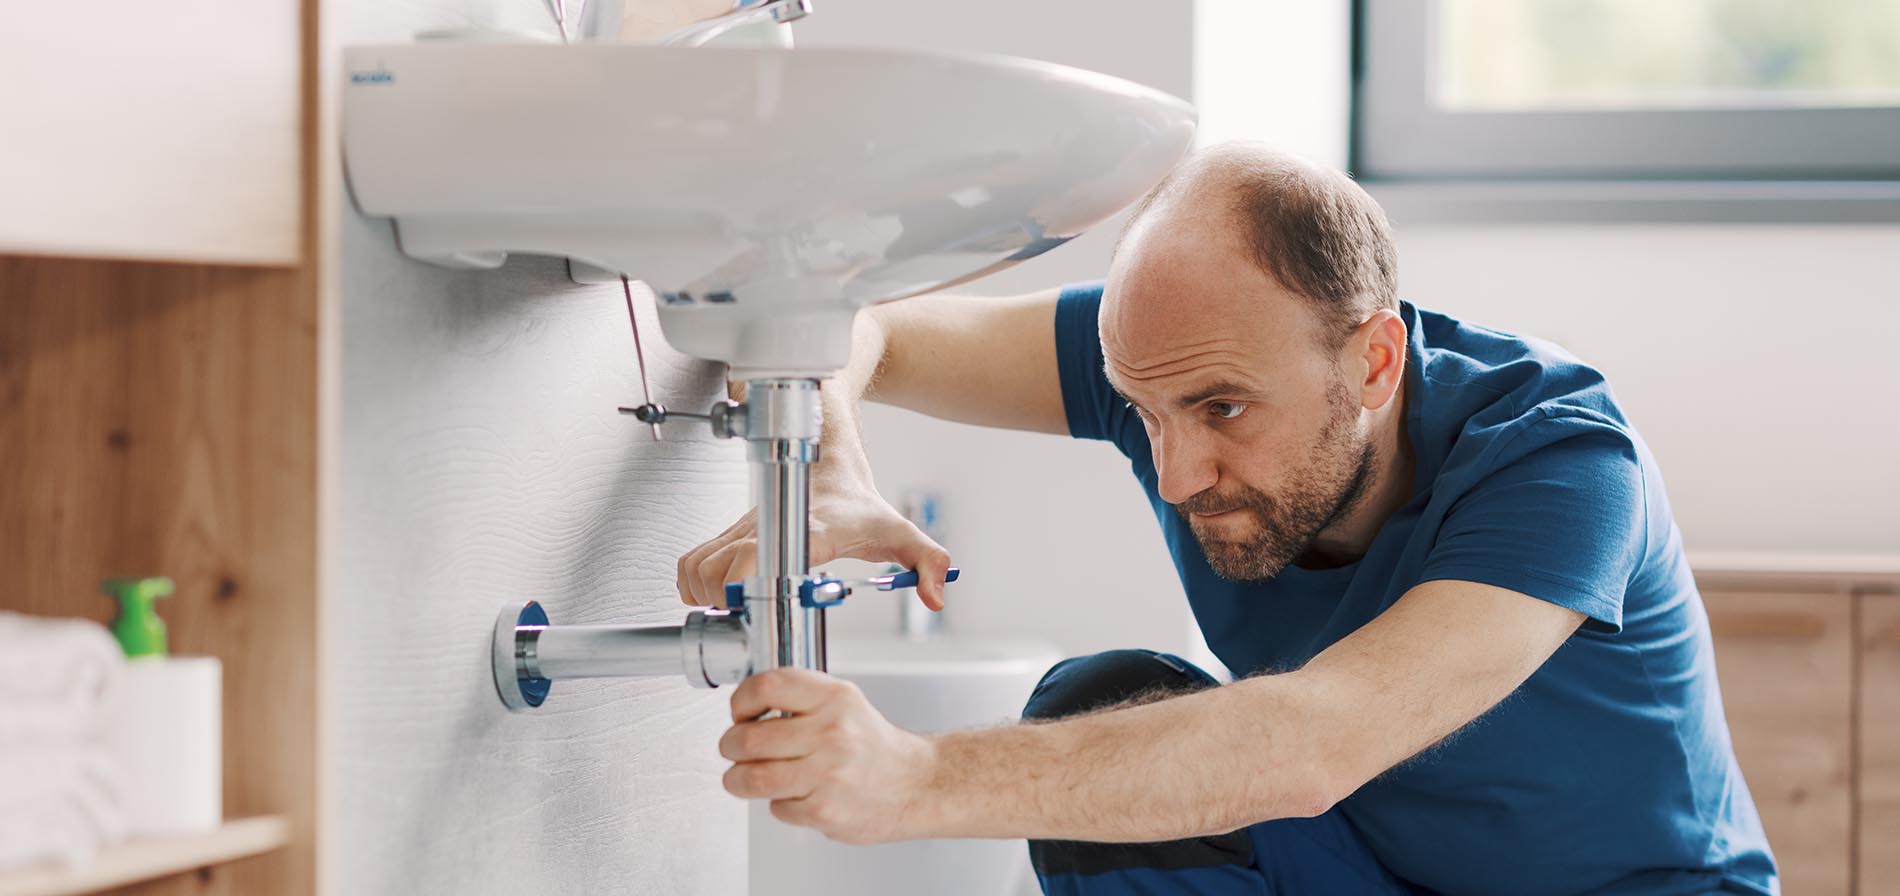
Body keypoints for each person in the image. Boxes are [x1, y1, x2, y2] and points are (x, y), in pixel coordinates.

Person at [675, 143, 1776, 895]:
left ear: (1376, 360)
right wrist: (828, 465)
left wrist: (914, 777)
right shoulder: (1170, 356)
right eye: (1143, 410)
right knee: (1100, 704)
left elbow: (1317, 737)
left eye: (1221, 410)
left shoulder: (1560, 461)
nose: (1177, 471)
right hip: (1378, 872)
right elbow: (869, 331)